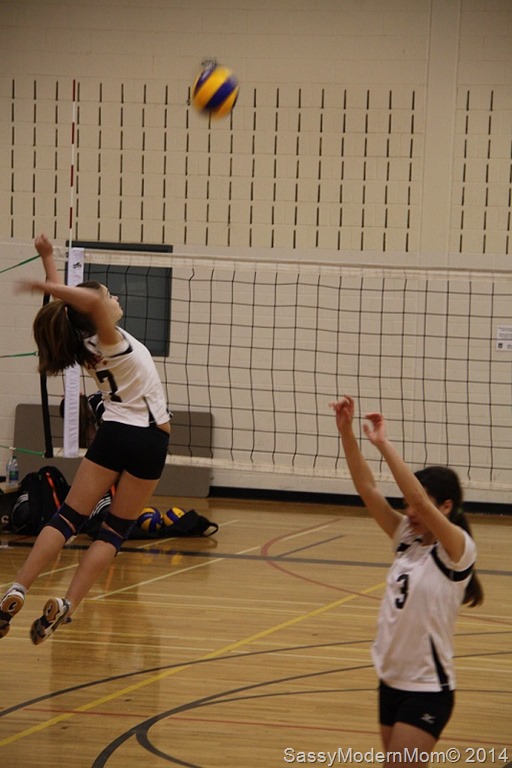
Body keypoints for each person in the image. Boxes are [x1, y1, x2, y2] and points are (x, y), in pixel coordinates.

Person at [0, 233, 171, 644]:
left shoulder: (82, 341)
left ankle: (17, 588)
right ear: (95, 312)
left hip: (113, 435)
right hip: (149, 440)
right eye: (109, 296)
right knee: (113, 532)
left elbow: (69, 307)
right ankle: (67, 603)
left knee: (66, 519)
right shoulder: (109, 337)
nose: (112, 299)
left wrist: (47, 260)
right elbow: (86, 302)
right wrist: (45, 283)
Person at [330, 395, 483, 766]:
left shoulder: (457, 549)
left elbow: (419, 500)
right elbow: (367, 488)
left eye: (419, 505)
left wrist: (383, 444)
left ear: (446, 507)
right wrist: (347, 432)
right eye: (407, 505)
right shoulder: (406, 538)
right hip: (390, 681)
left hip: (427, 689)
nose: (410, 512)